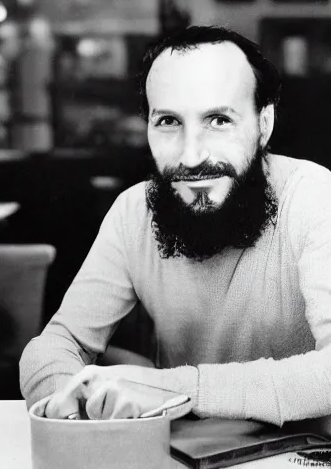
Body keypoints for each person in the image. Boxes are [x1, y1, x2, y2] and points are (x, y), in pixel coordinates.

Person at [19, 25, 331, 426]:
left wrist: (169, 389)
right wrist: (69, 400)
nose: (191, 154)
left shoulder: (315, 199)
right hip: (176, 454)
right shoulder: (134, 212)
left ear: (263, 124)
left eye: (218, 120)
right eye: (168, 121)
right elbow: (56, 344)